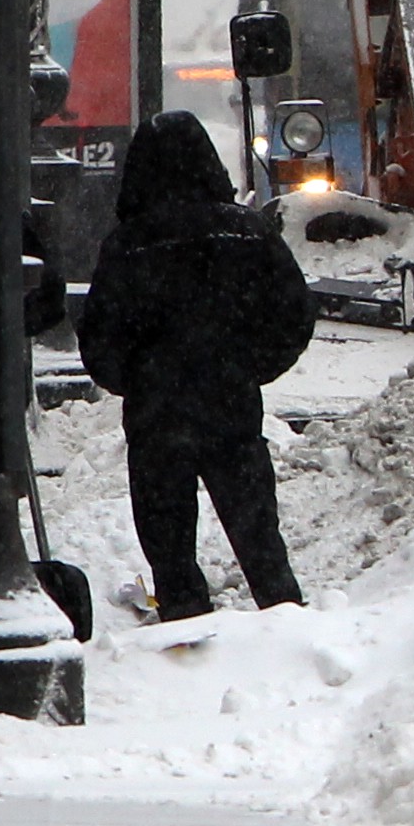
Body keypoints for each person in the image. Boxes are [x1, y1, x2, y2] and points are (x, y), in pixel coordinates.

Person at [79, 108, 315, 622]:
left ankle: (184, 623)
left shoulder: (127, 246)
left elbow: (98, 339)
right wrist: (248, 367)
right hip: (230, 404)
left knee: (168, 538)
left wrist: (140, 379)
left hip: (156, 414)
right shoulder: (248, 233)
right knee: (256, 528)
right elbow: (294, 313)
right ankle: (284, 618)